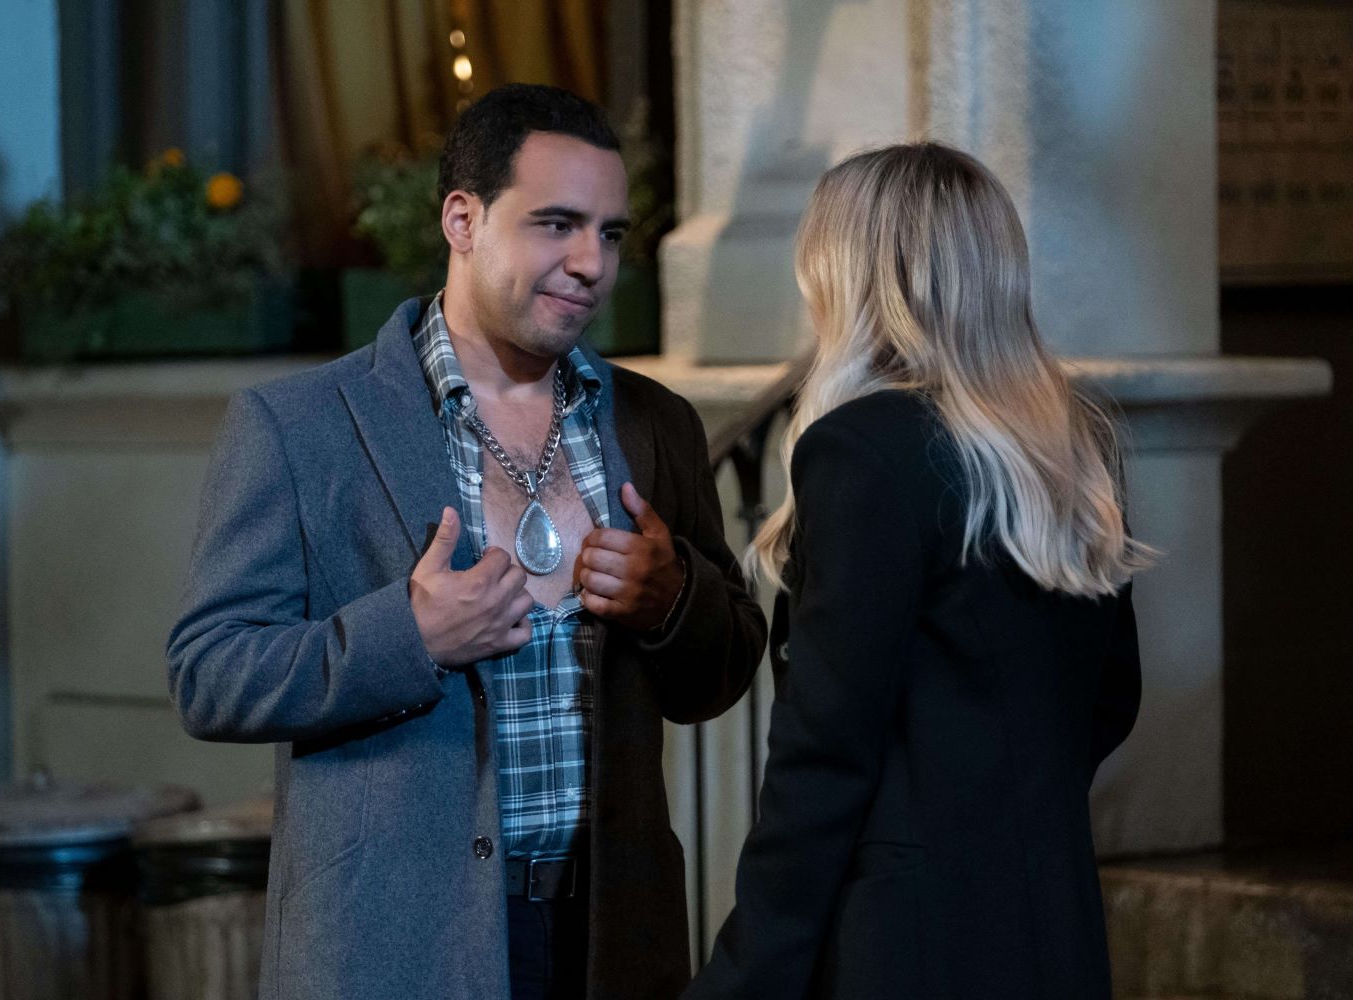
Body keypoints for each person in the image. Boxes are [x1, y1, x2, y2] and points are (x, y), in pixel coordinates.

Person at [166, 83, 765, 1000]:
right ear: (463, 220)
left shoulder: (655, 424)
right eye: (556, 224)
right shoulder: (300, 427)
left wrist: (674, 600)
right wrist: (410, 637)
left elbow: (720, 675)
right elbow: (209, 674)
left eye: (610, 233)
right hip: (395, 950)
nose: (590, 263)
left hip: (611, 942)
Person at [684, 142, 1151, 1000]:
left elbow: (824, 755)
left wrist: (744, 978)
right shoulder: (1075, 445)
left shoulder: (860, 451)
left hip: (903, 943)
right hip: (1051, 919)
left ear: (853, 280)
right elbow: (1111, 696)